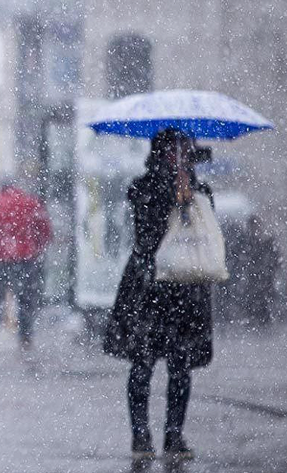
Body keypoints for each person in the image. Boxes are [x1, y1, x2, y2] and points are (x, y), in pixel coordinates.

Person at [104, 128, 214, 461]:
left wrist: (188, 195)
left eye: (184, 150)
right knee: (142, 364)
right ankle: (141, 436)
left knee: (180, 367)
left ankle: (174, 436)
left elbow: (205, 233)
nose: (178, 157)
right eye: (172, 150)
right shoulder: (142, 187)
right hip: (148, 287)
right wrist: (172, 194)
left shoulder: (199, 191)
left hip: (184, 288)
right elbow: (147, 233)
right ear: (159, 153)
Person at [0, 172, 52, 349]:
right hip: (25, 260)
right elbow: (44, 230)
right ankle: (25, 338)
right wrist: (35, 249)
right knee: (25, 301)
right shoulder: (31, 204)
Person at [244, 215, 280, 326]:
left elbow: (275, 259)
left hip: (264, 277)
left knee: (263, 297)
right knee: (257, 297)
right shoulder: (249, 242)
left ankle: (264, 318)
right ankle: (259, 317)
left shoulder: (265, 241)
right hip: (257, 277)